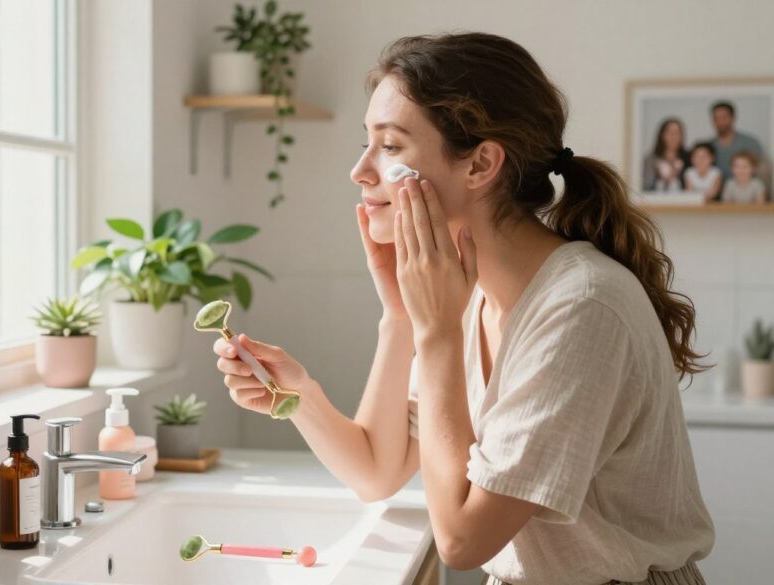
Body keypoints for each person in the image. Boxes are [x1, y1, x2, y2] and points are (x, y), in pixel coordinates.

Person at [213, 33, 714, 585]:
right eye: (367, 142)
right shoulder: (470, 291)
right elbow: (377, 471)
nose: (360, 171)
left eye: (391, 146)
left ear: (480, 164)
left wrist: (435, 334)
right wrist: (315, 381)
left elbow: (462, 540)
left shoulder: (582, 307)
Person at [708, 101, 765, 181]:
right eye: (716, 118)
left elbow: (763, 170)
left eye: (723, 117)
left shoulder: (750, 143)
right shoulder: (708, 146)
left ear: (733, 118)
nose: (720, 122)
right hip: (715, 192)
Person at [642, 118, 688, 192]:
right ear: (662, 135)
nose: (673, 136)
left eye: (676, 133)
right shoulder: (650, 159)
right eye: (669, 132)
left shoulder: (688, 158)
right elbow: (646, 186)